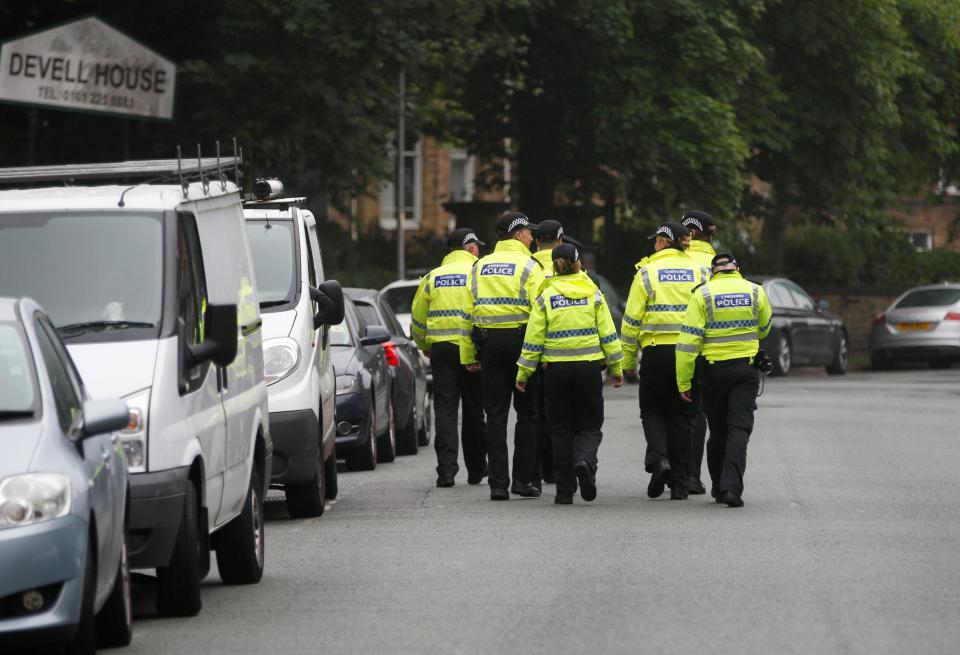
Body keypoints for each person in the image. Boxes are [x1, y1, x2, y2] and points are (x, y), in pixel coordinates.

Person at [515, 244, 624, 504]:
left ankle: (565, 491)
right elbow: (608, 335)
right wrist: (617, 367)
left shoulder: (546, 296)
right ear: (578, 264)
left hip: (556, 372)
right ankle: (585, 460)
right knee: (590, 425)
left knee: (560, 430)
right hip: (588, 369)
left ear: (554, 265)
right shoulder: (593, 294)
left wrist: (523, 373)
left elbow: (533, 340)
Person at [675, 253, 772, 507]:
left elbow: (688, 342)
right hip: (745, 371)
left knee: (717, 432)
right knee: (739, 430)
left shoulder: (702, 294)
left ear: (713, 271)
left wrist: (684, 382)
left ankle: (718, 486)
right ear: (737, 268)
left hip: (713, 373)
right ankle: (732, 489)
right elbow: (765, 326)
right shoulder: (755, 291)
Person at [461, 212, 546, 500]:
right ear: (518, 234)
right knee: (528, 413)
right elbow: (539, 311)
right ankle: (523, 480)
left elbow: (467, 314)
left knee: (495, 415)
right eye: (529, 232)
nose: (533, 237)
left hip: (488, 345)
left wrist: (468, 355)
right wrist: (539, 352)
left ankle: (498, 483)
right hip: (522, 343)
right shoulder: (530, 266)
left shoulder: (479, 265)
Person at [621, 222, 705, 500]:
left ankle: (660, 460)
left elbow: (631, 321)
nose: (653, 245)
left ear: (663, 242)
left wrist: (628, 361)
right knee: (683, 416)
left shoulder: (646, 273)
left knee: (653, 411)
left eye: (656, 241)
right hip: (688, 354)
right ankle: (680, 483)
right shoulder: (700, 271)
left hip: (656, 352)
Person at [411, 227, 488, 488]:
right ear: (472, 248)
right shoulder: (478, 273)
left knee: (444, 408)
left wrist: (424, 344)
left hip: (441, 350)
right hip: (472, 351)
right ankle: (477, 469)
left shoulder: (433, 277)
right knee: (474, 411)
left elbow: (418, 318)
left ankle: (446, 470)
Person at [679, 210, 718, 495]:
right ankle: (691, 475)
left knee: (666, 410)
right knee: (696, 413)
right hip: (701, 346)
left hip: (664, 342)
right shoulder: (715, 264)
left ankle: (668, 465)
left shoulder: (669, 258)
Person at [531, 219, 565, 487]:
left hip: (534, 346)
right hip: (564, 351)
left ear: (535, 239)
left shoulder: (528, 265)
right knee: (560, 412)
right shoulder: (569, 264)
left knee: (536, 412)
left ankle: (539, 468)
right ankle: (556, 467)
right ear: (560, 239)